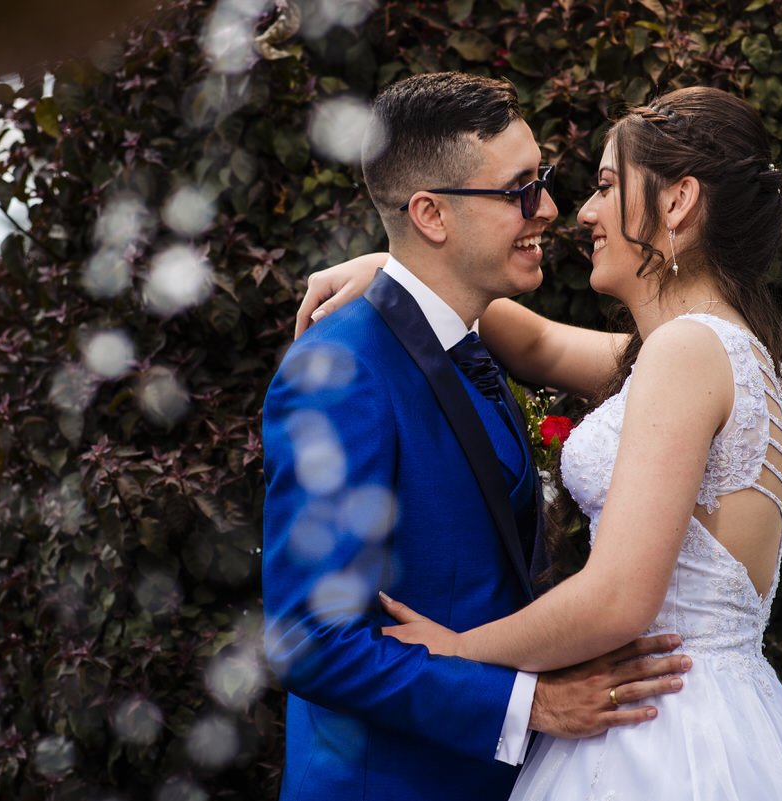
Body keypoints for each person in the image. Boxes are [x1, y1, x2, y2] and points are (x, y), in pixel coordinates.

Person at [294, 86, 782, 799]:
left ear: (678, 202)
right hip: (709, 712)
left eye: (606, 185)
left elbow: (618, 598)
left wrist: (458, 651)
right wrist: (400, 266)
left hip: (661, 729)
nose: (580, 212)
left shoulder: (686, 353)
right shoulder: (715, 351)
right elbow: (532, 339)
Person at [261, 72, 692, 801]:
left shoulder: (469, 346)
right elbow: (309, 638)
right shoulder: (341, 371)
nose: (550, 209)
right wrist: (532, 705)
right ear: (431, 214)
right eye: (521, 189)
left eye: (545, 181)